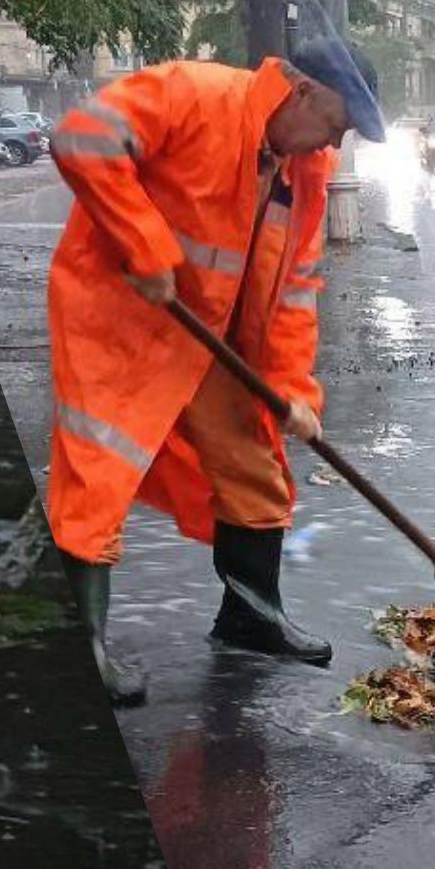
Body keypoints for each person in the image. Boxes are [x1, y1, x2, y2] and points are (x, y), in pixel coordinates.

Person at [45, 39, 384, 705]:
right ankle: (83, 645)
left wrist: (292, 391)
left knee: (253, 464)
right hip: (120, 319)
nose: (333, 142)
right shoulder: (195, 94)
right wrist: (144, 247)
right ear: (304, 89)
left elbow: (293, 292)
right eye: (336, 123)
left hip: (208, 332)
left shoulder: (304, 170)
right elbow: (81, 138)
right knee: (97, 472)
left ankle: (250, 616)